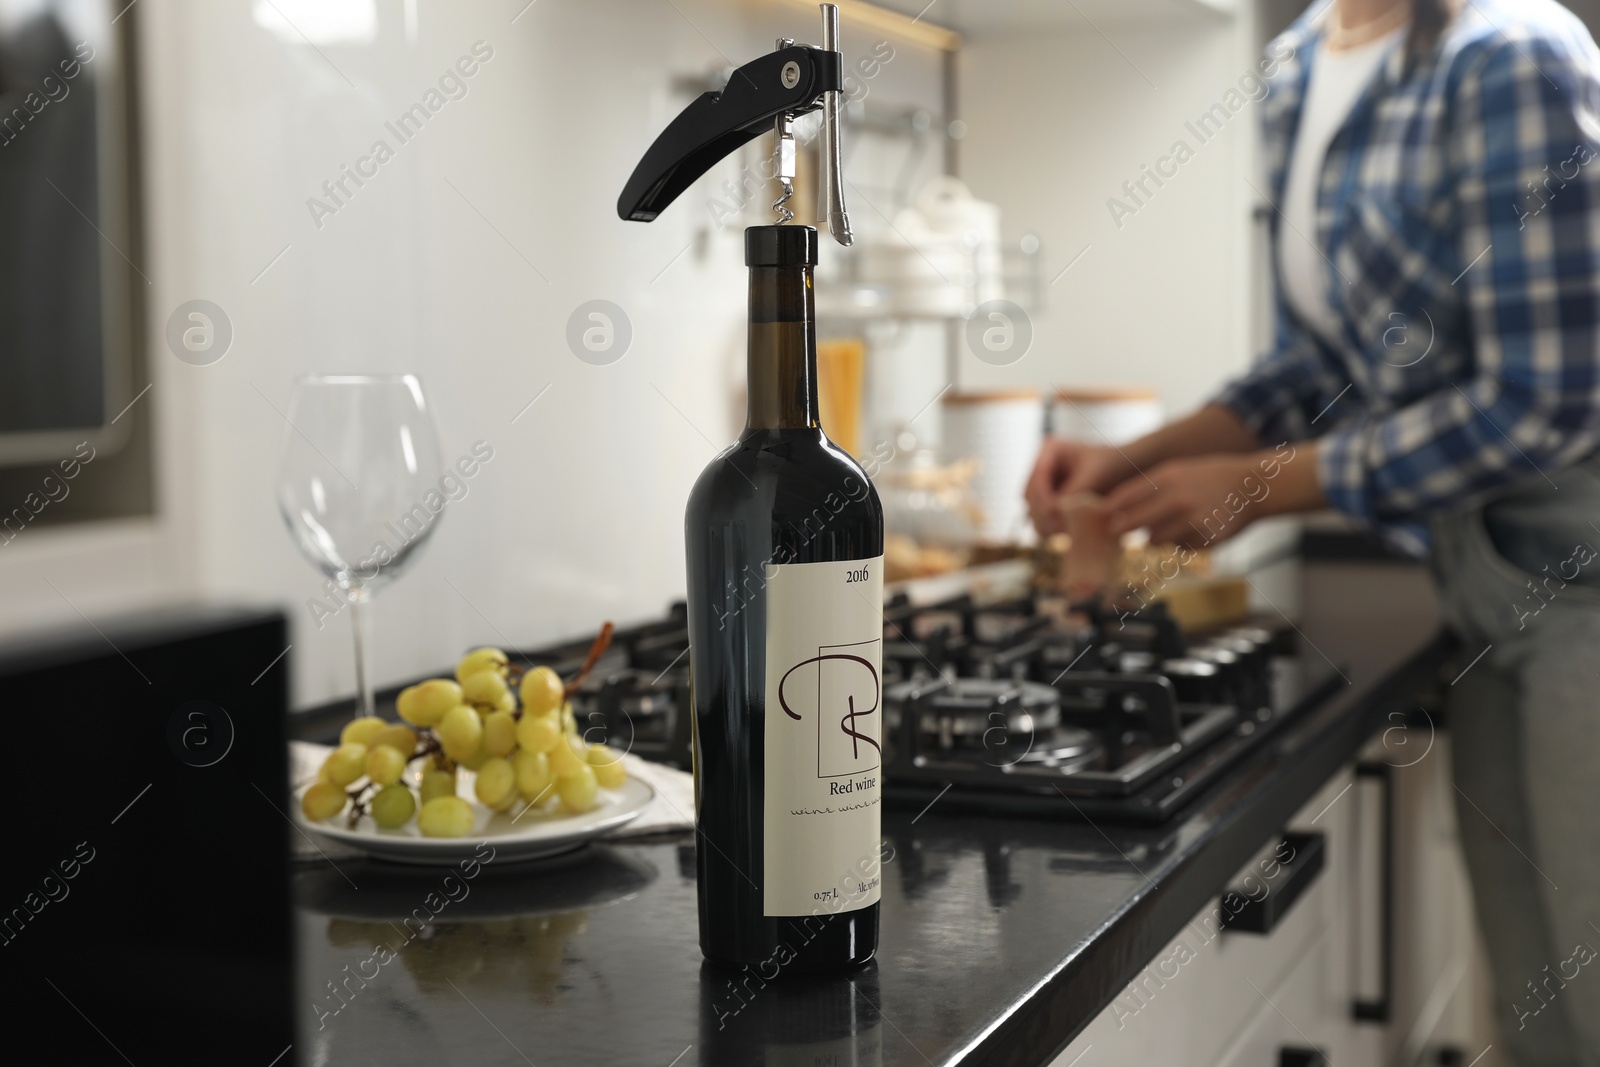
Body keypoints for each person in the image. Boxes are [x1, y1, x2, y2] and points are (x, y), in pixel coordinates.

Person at [1026, 0, 1600, 1062]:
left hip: (1584, 572)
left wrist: (1259, 485)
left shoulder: (1509, 52)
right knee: (1534, 1001)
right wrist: (1138, 457)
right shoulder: (1296, 67)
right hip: (1474, 569)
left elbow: (1551, 399)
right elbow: (1319, 367)